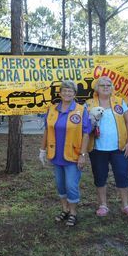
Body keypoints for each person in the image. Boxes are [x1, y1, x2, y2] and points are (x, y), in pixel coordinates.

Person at [38, 80, 90, 227]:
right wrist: (42, 150)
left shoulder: (81, 110)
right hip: (56, 155)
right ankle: (65, 209)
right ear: (60, 93)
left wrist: (83, 155)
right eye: (65, 90)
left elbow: (86, 134)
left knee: (71, 185)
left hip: (73, 155)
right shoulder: (52, 109)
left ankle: (73, 213)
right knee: (60, 185)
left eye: (70, 91)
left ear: (74, 94)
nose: (67, 93)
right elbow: (47, 130)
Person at [86, 76, 128, 217]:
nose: (106, 87)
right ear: (97, 88)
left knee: (122, 176)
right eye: (102, 85)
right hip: (97, 148)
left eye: (109, 84)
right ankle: (103, 205)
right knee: (100, 177)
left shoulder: (119, 102)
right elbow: (84, 127)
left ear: (112, 87)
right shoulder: (89, 103)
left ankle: (126, 205)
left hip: (119, 148)